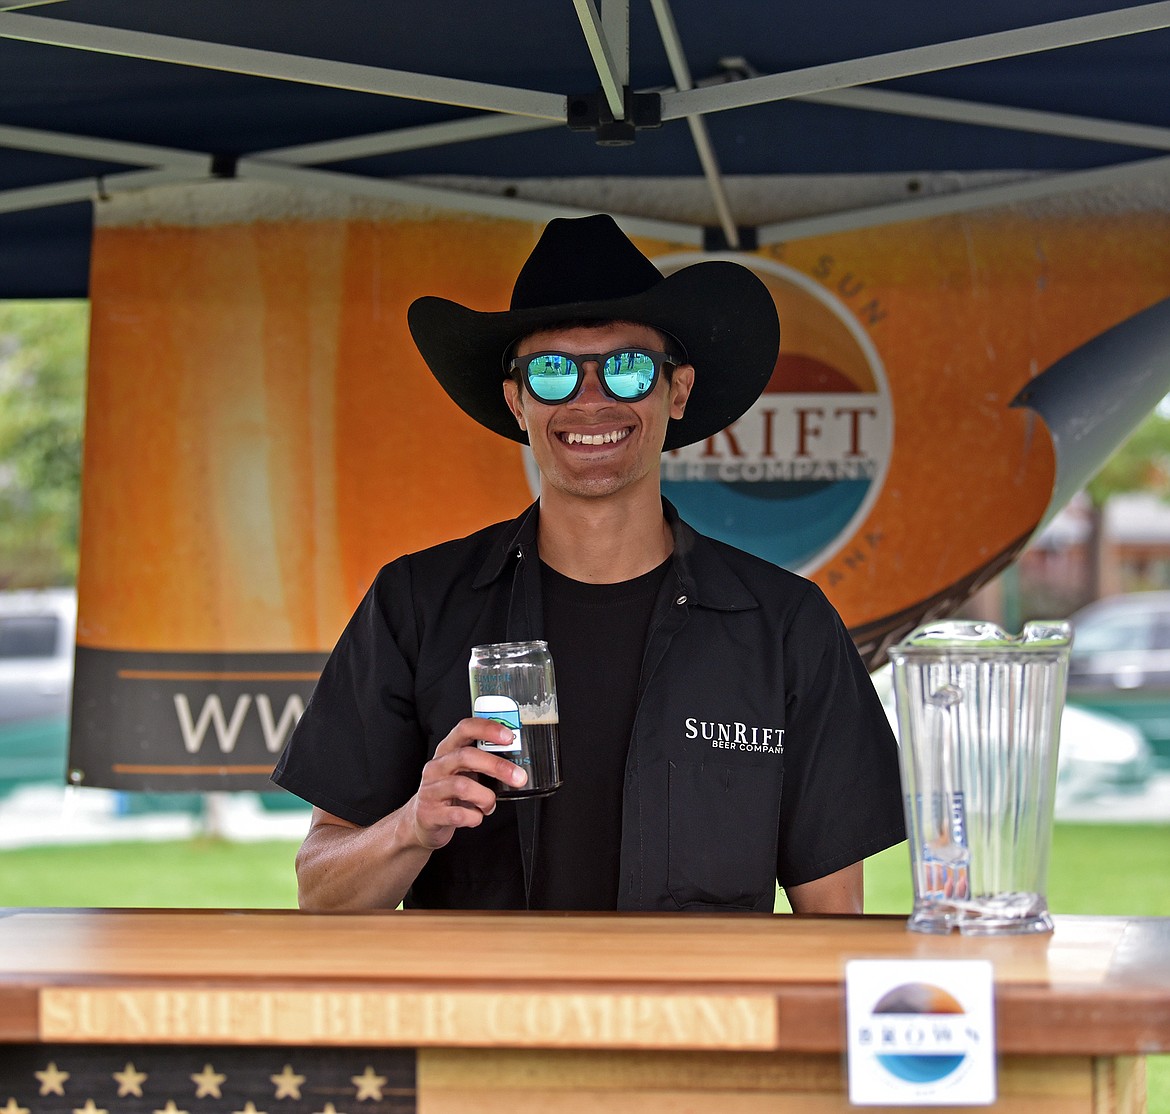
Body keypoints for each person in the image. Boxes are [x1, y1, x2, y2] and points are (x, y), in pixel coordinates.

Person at [272, 214, 905, 914]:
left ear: (678, 391)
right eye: (552, 370)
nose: (591, 397)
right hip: (479, 1026)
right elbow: (321, 896)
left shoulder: (785, 626)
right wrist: (412, 825)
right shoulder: (417, 603)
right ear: (516, 400)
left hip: (696, 1026)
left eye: (628, 368)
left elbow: (835, 925)